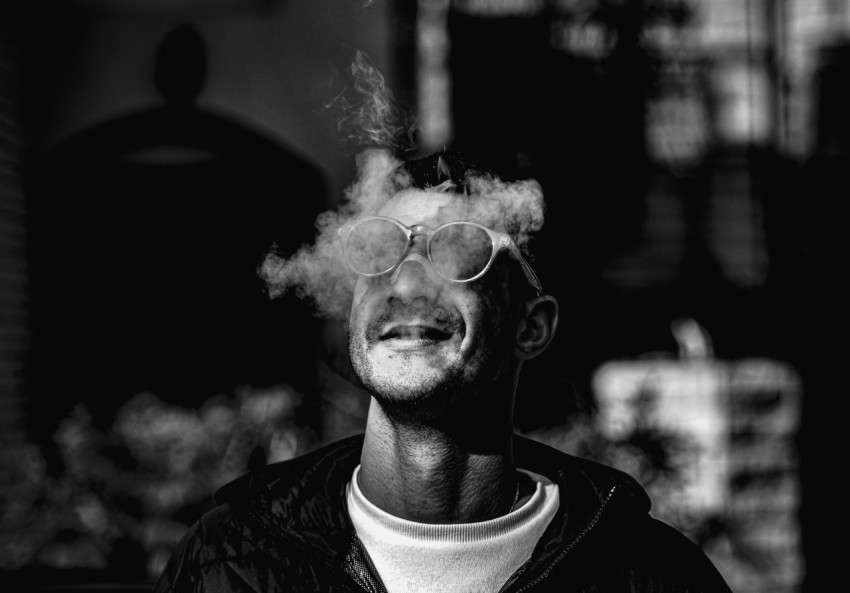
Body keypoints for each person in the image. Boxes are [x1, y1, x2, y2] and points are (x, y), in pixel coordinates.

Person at [154, 150, 733, 592]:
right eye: (378, 250)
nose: (406, 283)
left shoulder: (646, 575)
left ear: (530, 327)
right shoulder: (225, 560)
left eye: (459, 250)